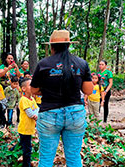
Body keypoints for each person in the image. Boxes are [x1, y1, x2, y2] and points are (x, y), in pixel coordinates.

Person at [30, 30, 93, 167]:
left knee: (46, 159)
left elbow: (33, 90)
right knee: (74, 157)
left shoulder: (44, 64)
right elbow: (88, 90)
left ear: (52, 46)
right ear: (68, 45)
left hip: (49, 114)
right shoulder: (81, 63)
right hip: (75, 114)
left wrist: (47, 89)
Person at [18, 78, 39, 167]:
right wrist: (35, 115)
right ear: (24, 88)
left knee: (22, 144)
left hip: (29, 128)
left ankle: (12, 152)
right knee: (27, 149)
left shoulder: (32, 99)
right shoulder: (23, 100)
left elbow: (37, 109)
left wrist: (36, 114)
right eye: (30, 85)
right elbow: (30, 114)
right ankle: (26, 165)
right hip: (24, 129)